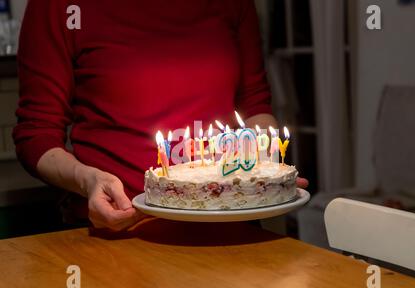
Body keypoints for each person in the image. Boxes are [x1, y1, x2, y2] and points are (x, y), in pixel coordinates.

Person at [13, 0, 308, 231]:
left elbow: (254, 105)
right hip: (120, 234)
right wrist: (86, 180)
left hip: (230, 228)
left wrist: (267, 170)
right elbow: (36, 134)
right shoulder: (61, 6)